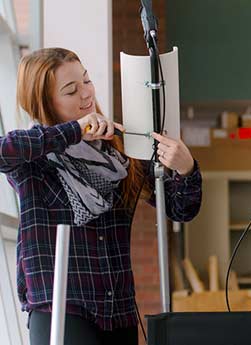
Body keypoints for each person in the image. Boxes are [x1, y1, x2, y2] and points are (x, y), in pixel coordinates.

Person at [0, 48, 202, 345]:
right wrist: (75, 131)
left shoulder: (119, 152)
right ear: (44, 102)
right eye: (71, 90)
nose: (86, 94)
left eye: (87, 81)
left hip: (117, 310)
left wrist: (187, 169)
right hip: (60, 307)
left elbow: (180, 209)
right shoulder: (34, 159)